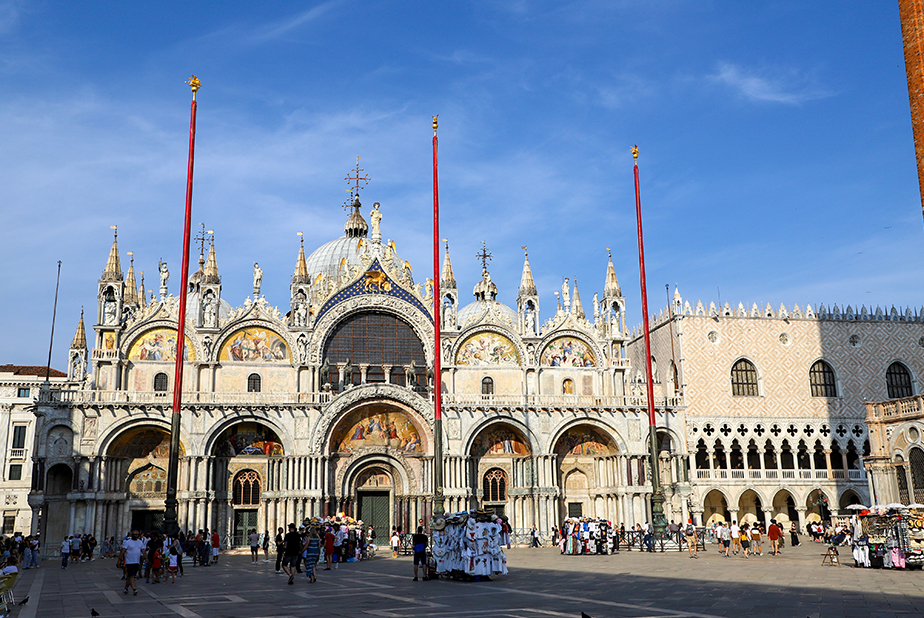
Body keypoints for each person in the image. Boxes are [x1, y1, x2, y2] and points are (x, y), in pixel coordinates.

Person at [119, 530, 145, 596]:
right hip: (129, 562)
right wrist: (119, 560)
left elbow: (143, 550)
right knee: (132, 575)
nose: (135, 535)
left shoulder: (140, 542)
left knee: (130, 576)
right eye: (133, 534)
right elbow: (122, 551)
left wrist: (146, 558)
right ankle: (134, 589)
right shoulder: (127, 542)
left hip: (137, 561)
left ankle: (126, 588)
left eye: (136, 534)